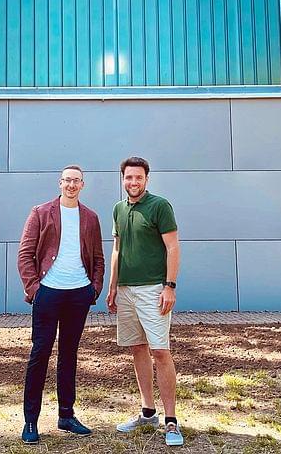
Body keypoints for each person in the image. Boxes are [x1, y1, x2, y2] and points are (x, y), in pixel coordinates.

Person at [17, 165, 105, 445]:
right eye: (67, 180)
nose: (71, 185)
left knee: (69, 354)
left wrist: (94, 288)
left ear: (83, 185)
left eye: (76, 181)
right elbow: (25, 254)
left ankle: (66, 415)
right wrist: (35, 289)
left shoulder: (90, 217)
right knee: (40, 352)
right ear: (60, 183)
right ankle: (31, 420)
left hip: (78, 293)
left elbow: (98, 258)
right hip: (48, 293)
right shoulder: (41, 212)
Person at [106, 156, 184, 447]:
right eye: (128, 177)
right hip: (126, 290)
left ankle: (171, 420)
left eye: (138, 177)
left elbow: (173, 247)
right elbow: (117, 250)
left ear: (146, 179)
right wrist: (112, 287)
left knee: (160, 351)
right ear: (123, 179)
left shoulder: (160, 206)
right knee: (137, 348)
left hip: (153, 290)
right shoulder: (118, 209)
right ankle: (148, 412)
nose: (133, 182)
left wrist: (169, 287)